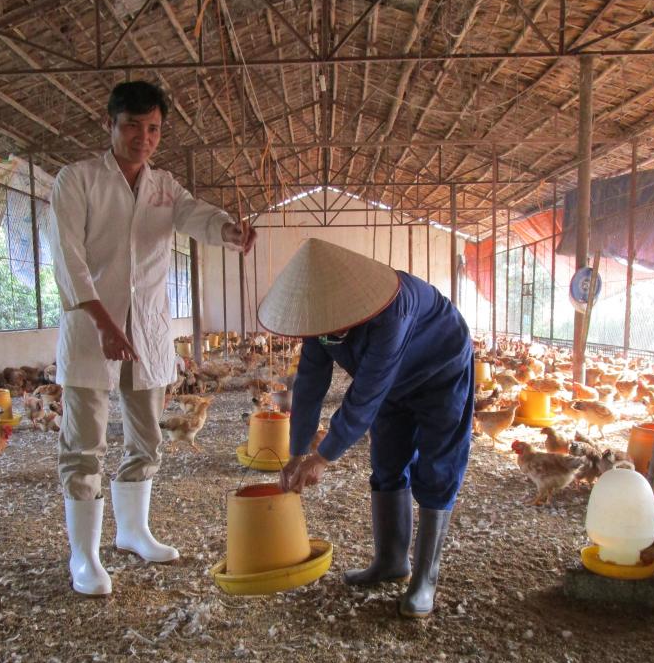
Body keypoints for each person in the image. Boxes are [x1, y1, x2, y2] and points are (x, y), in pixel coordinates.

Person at [50, 80, 255, 596]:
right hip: (92, 330)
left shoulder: (165, 187)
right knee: (84, 445)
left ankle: (133, 532)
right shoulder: (77, 181)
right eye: (132, 126)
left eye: (154, 128)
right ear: (110, 125)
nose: (143, 137)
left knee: (148, 438)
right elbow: (68, 260)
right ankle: (84, 556)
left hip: (147, 332)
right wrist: (102, 321)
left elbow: (197, 217)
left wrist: (228, 231)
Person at [259, 238, 473, 618]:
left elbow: (366, 394)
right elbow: (309, 382)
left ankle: (425, 577)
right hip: (393, 384)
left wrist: (323, 457)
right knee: (387, 461)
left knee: (437, 467)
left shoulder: (393, 309)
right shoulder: (321, 320)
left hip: (441, 372)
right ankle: (391, 561)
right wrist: (297, 452)